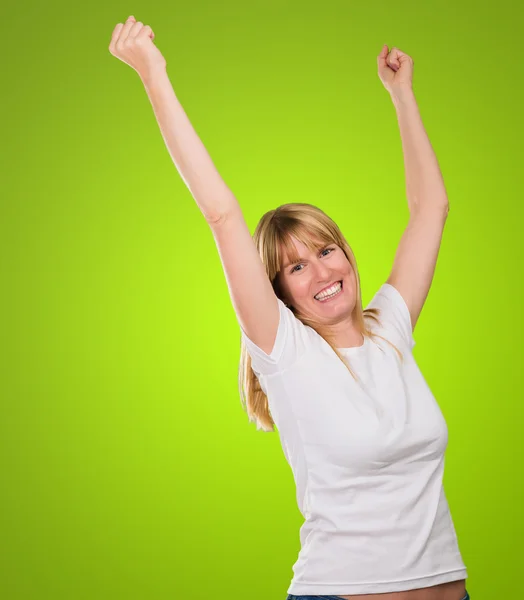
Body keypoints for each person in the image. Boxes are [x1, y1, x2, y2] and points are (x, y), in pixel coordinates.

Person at [109, 16, 470, 600]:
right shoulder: (288, 352)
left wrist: (401, 95)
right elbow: (222, 213)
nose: (322, 272)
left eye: (326, 251)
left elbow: (432, 207)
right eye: (296, 267)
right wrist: (155, 75)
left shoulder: (390, 331)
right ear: (280, 292)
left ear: (348, 255)